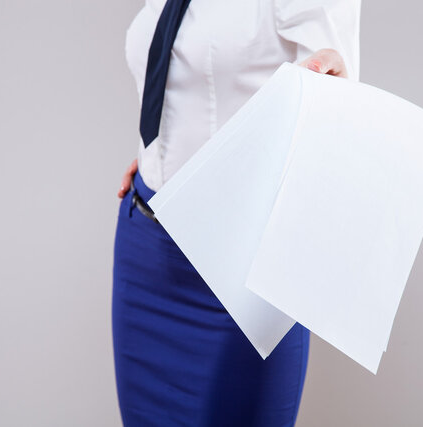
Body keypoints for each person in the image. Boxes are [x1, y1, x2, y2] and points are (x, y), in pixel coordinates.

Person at [112, 0, 360, 425]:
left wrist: (332, 79)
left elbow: (336, 85)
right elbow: (177, 78)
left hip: (242, 264)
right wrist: (163, 160)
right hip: (147, 247)